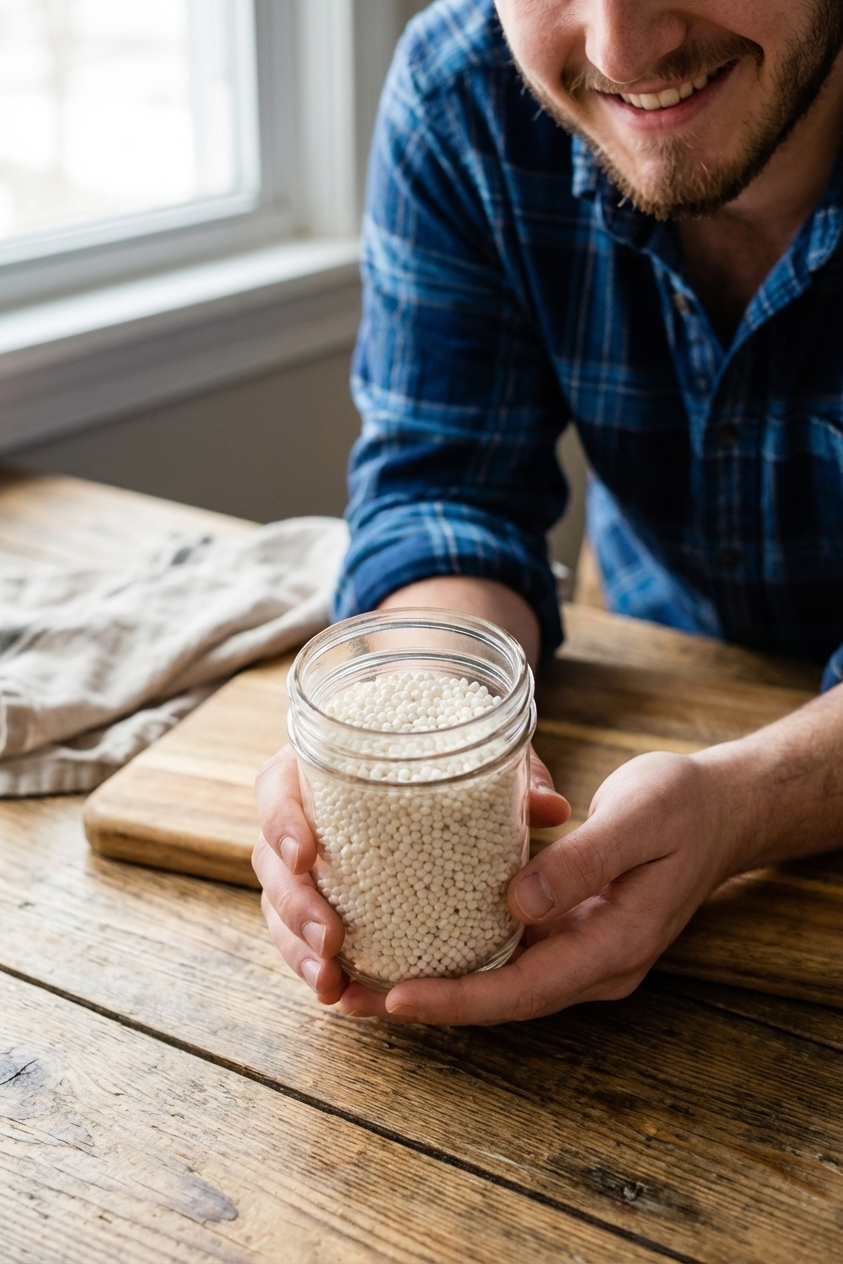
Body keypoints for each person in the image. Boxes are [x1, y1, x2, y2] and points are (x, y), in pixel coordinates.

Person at [252, 0, 843, 1025]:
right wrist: (430, 725)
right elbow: (449, 492)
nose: (621, 51)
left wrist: (744, 807)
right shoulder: (464, 96)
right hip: (658, 658)